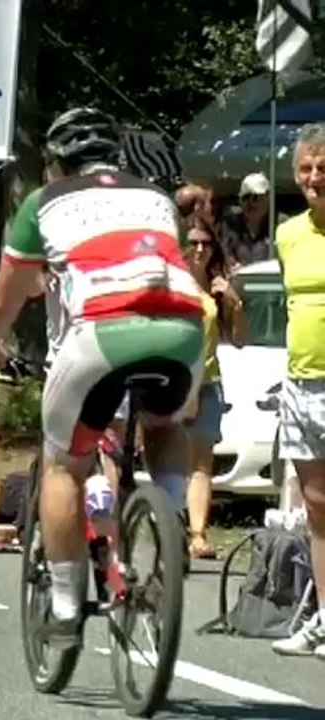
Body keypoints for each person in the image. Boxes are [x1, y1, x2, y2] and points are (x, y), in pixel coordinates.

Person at [0, 107, 206, 649]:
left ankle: (68, 601)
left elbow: (7, 294)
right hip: (184, 328)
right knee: (165, 427)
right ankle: (169, 522)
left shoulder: (45, 201)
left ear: (55, 164)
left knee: (63, 463)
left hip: (103, 330)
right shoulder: (155, 196)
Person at [269, 122, 325, 659]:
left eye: (323, 167)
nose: (315, 177)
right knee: (316, 505)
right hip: (302, 382)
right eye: (306, 168)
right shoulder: (288, 234)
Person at [182, 215, 246, 560]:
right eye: (192, 243)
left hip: (208, 385)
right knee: (171, 461)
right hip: (174, 385)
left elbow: (239, 339)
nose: (200, 249)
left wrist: (235, 303)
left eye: (205, 243)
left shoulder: (217, 286)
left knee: (201, 465)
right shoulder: (172, 284)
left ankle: (197, 534)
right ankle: (167, 525)